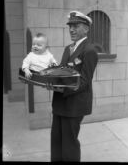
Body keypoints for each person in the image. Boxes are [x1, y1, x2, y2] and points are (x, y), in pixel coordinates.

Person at [50, 11, 98, 162]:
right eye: (70, 26)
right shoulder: (68, 48)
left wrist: (61, 88)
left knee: (69, 144)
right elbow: (63, 72)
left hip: (74, 105)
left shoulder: (90, 50)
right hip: (59, 103)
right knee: (56, 141)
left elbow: (84, 81)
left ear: (86, 29)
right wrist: (49, 78)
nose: (71, 29)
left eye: (76, 26)